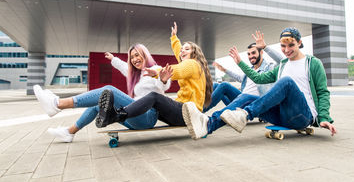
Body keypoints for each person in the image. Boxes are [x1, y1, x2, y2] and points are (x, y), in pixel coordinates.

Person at [182, 27, 336, 139]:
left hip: (303, 116)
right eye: (283, 46)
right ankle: (208, 125)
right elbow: (259, 79)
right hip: (282, 115)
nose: (286, 50)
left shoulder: (312, 63)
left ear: (299, 42)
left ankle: (245, 114)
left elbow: (322, 92)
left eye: (291, 45)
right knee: (247, 96)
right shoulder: (282, 65)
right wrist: (240, 63)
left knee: (287, 82)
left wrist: (324, 118)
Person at [34, 44, 170, 142]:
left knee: (108, 91)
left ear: (144, 54)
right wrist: (113, 59)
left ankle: (57, 104)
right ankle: (69, 132)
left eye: (137, 55)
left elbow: (163, 85)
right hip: (132, 116)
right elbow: (124, 66)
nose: (135, 59)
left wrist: (162, 80)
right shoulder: (135, 74)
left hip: (146, 117)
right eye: (132, 57)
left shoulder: (156, 68)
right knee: (100, 104)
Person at [94, 22, 213, 128]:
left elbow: (176, 70)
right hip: (183, 113)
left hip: (188, 113)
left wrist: (156, 72)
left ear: (195, 53)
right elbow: (178, 52)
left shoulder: (192, 64)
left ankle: (119, 115)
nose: (182, 51)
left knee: (155, 96)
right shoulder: (189, 62)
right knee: (151, 103)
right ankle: (125, 115)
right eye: (182, 49)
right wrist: (174, 39)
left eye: (186, 49)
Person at [206, 42, 283, 113]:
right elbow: (239, 78)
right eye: (248, 54)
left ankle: (201, 110)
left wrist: (265, 47)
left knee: (224, 85)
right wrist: (224, 70)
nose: (251, 56)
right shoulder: (250, 70)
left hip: (254, 102)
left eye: (253, 53)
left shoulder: (269, 67)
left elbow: (282, 61)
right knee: (215, 85)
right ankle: (199, 106)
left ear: (261, 52)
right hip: (242, 99)